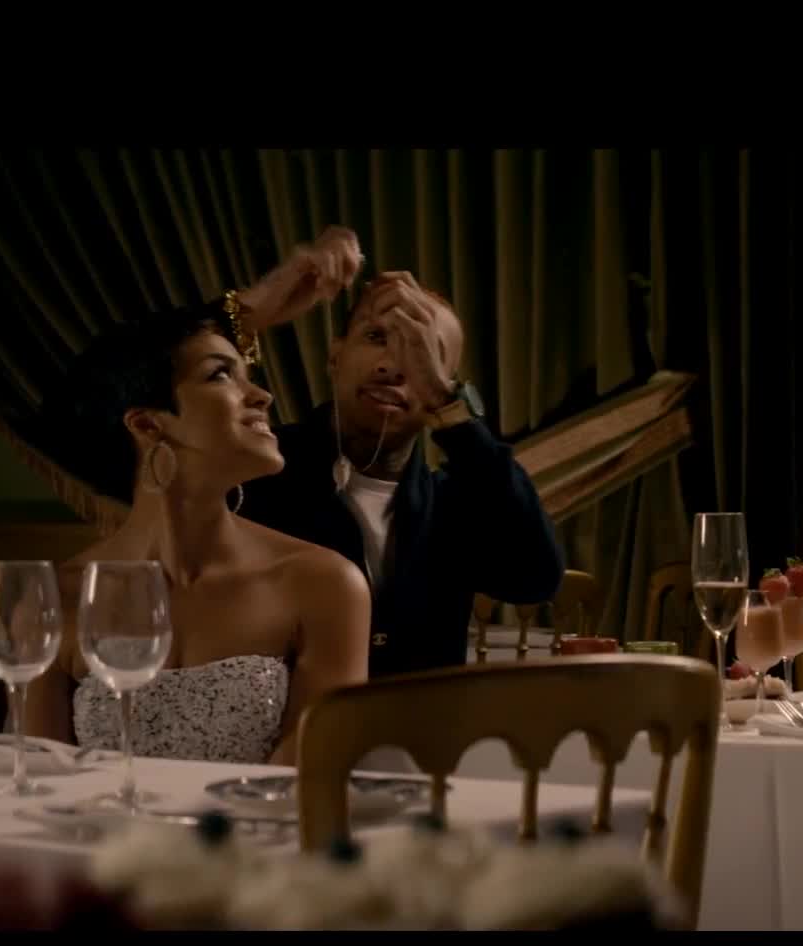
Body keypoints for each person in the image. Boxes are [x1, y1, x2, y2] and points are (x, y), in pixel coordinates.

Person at [24, 229, 373, 766]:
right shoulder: (55, 598)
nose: (262, 395)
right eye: (221, 376)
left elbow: (310, 776)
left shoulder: (325, 584)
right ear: (147, 424)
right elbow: (43, 778)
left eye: (248, 375)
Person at [240, 270, 566, 677]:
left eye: (422, 350)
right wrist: (246, 309)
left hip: (418, 719)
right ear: (335, 356)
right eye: (376, 337)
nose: (393, 366)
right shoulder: (253, 470)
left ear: (444, 384)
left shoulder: (453, 504)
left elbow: (535, 577)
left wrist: (449, 409)